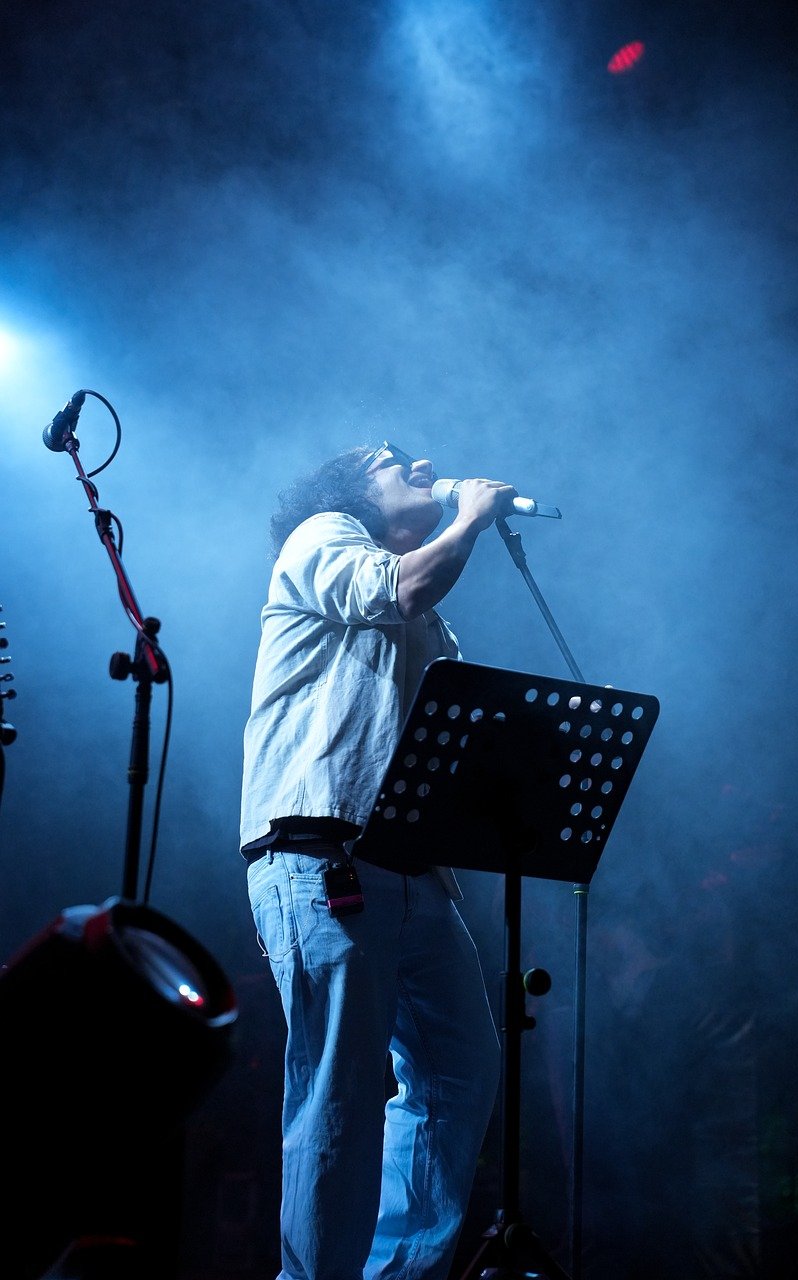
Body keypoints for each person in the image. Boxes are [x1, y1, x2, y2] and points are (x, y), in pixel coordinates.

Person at [240, 440, 516, 1280]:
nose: (421, 463)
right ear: (350, 490)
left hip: (412, 865)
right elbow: (400, 588)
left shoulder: (430, 612)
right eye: (393, 459)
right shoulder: (324, 534)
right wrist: (471, 519)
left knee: (459, 1072)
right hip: (323, 849)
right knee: (341, 1091)